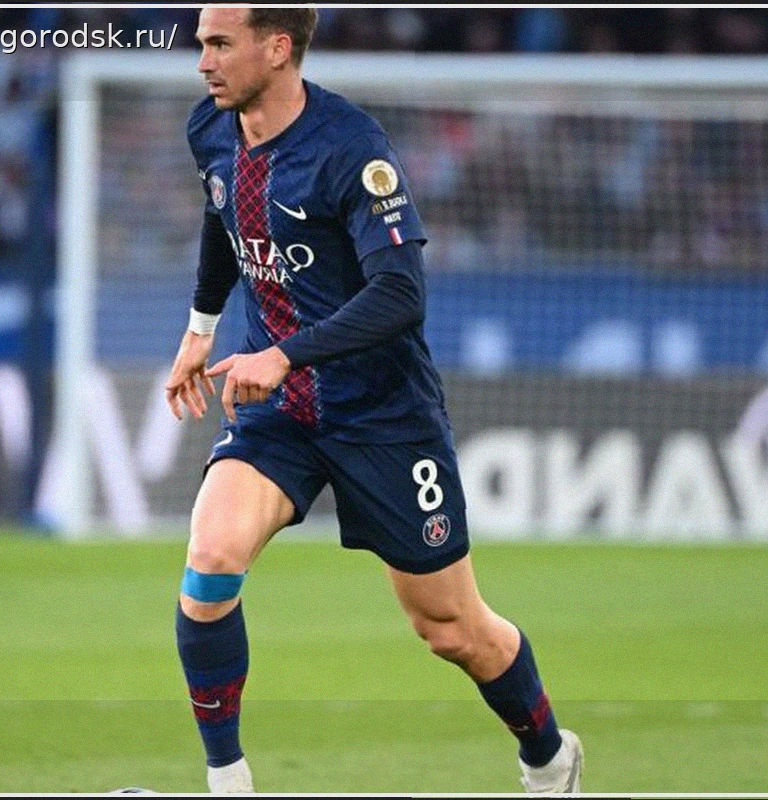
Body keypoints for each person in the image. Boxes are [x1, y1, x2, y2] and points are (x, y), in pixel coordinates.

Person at [165, 7, 582, 794]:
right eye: (201, 44)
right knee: (211, 558)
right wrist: (201, 327)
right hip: (282, 412)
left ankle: (549, 755)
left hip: (383, 413)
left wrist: (283, 353)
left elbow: (400, 294)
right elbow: (224, 216)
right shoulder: (211, 128)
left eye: (219, 43)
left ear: (276, 48)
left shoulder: (351, 149)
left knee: (451, 629)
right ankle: (228, 783)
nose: (203, 62)